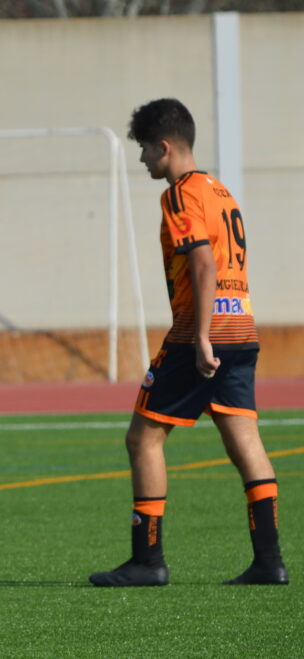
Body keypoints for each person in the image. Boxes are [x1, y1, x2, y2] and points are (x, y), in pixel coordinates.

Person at [89, 98, 288, 587]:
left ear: (165, 147)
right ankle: (269, 562)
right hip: (242, 326)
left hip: (202, 333)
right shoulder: (222, 192)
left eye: (143, 151)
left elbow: (203, 263)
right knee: (245, 441)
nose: (142, 161)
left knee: (143, 437)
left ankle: (148, 561)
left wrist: (199, 336)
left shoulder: (179, 195)